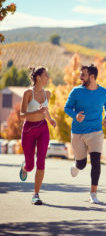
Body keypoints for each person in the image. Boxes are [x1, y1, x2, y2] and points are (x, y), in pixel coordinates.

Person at [64, 64, 106, 204]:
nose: (80, 77)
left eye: (83, 75)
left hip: (96, 131)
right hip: (78, 132)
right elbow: (66, 108)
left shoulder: (105, 92)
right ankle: (77, 165)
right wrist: (75, 115)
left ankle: (93, 193)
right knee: (82, 163)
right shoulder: (76, 91)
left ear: (92, 77)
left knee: (96, 161)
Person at [19, 66, 56, 205]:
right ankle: (25, 167)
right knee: (30, 166)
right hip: (28, 129)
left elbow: (45, 111)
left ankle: (36, 194)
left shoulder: (48, 94)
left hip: (42, 129)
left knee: (41, 162)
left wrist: (50, 119)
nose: (48, 77)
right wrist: (36, 113)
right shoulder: (28, 93)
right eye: (46, 75)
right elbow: (22, 116)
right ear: (38, 77)